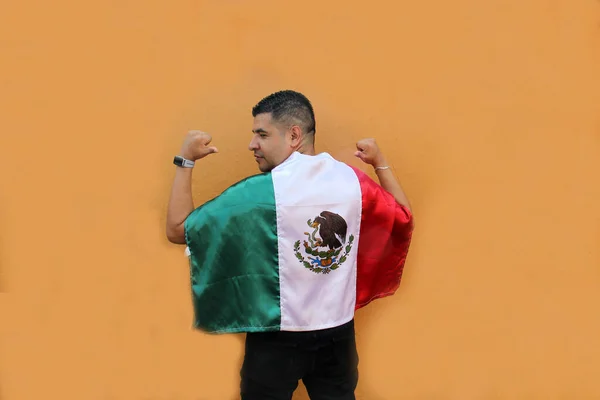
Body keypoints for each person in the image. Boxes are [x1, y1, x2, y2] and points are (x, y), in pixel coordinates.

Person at [166, 90, 414, 399]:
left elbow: (178, 229)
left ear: (294, 135)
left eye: (262, 134)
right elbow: (403, 216)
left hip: (275, 341)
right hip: (339, 339)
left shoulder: (256, 194)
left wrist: (185, 160)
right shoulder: (353, 183)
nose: (252, 144)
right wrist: (380, 162)